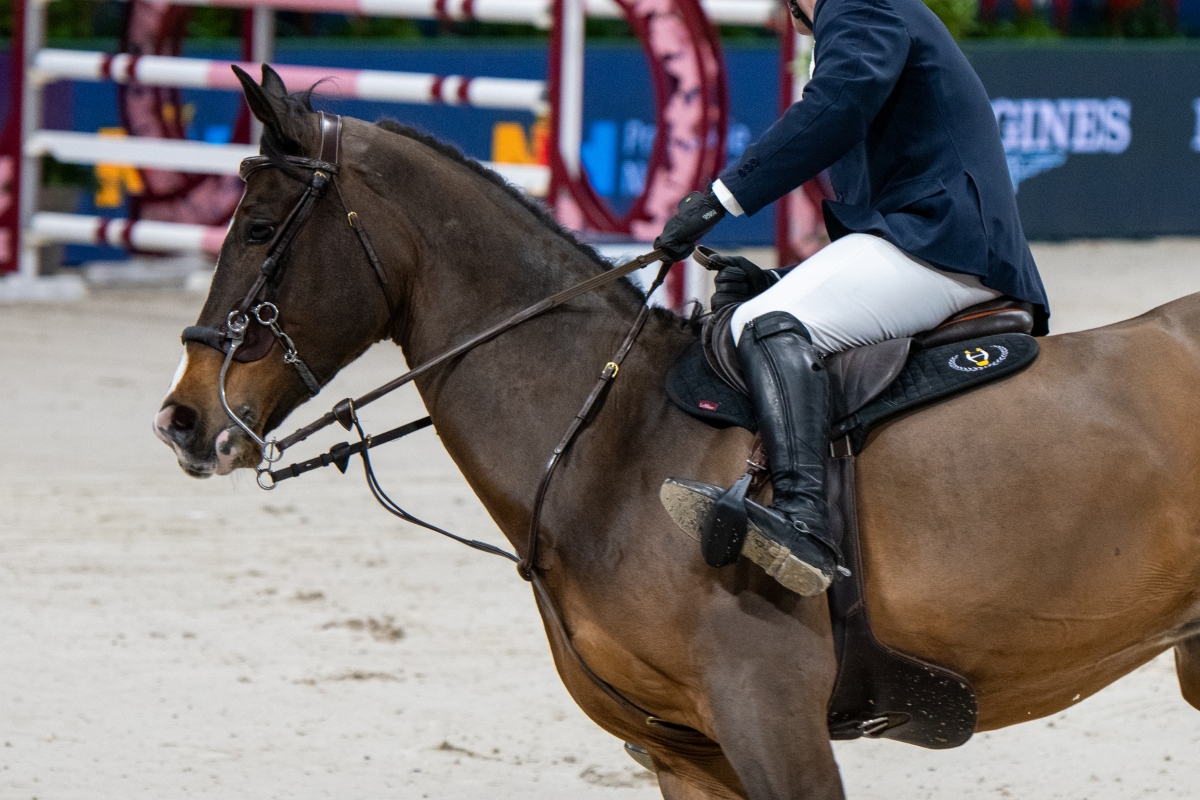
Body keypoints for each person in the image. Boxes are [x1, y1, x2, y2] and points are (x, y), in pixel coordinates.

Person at [655, 0, 1050, 596]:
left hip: (943, 241)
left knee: (763, 325)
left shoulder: (859, 2)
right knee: (769, 306)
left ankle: (802, 522)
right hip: (923, 236)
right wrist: (778, 278)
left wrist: (721, 198)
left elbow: (838, 105)